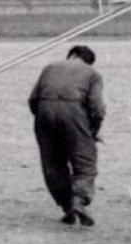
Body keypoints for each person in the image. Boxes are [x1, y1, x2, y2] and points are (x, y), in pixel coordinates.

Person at [27, 43, 105, 227]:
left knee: (53, 164)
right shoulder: (92, 74)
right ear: (88, 62)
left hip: (44, 113)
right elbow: (97, 108)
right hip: (74, 113)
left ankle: (67, 207)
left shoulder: (49, 68)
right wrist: (92, 131)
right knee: (85, 163)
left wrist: (44, 120)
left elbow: (32, 100)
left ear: (71, 55)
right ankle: (79, 201)